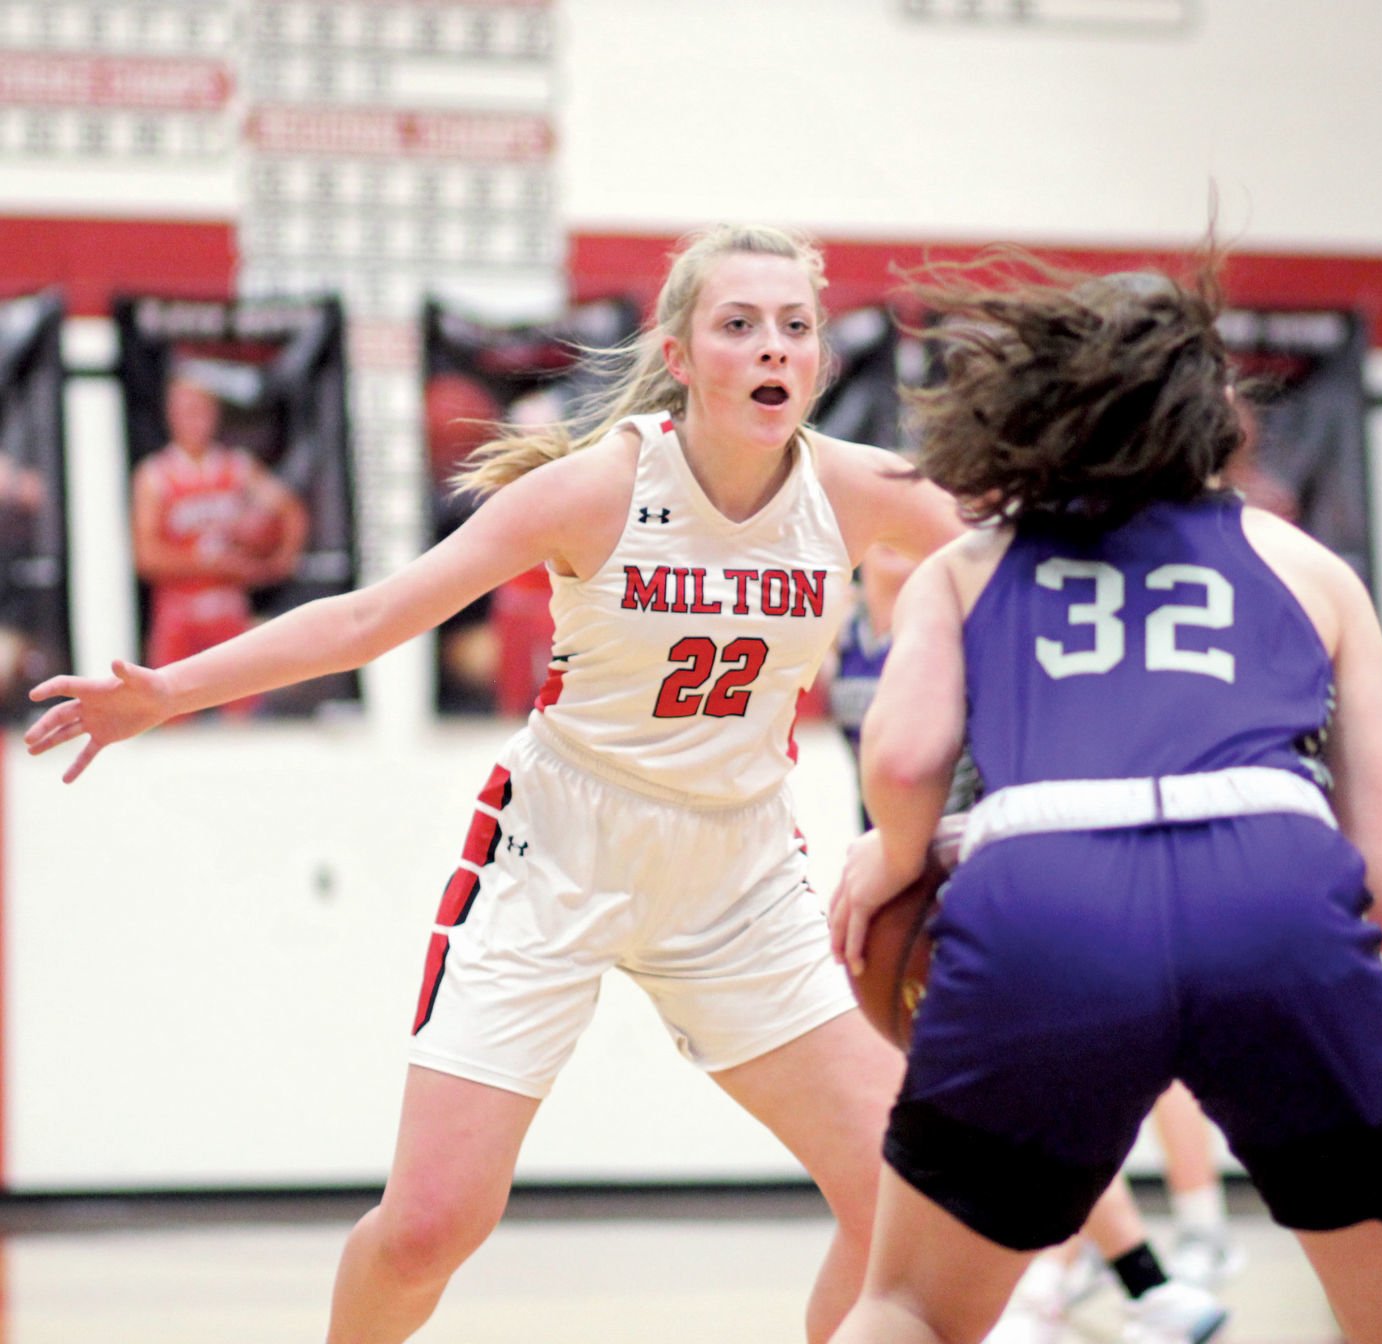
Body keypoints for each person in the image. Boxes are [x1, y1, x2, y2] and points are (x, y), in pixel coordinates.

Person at [27, 223, 963, 1344]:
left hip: (741, 871)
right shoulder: (598, 491)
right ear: (677, 354)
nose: (774, 347)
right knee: (430, 1228)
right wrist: (169, 691)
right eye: (740, 324)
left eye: (795, 326)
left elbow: (1025, 552)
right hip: (559, 851)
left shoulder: (863, 490)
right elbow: (372, 617)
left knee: (900, 1191)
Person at [827, 250, 1382, 1344]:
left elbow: (902, 763)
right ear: (1212, 407)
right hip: (1273, 895)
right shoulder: (1309, 567)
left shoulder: (972, 564)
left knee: (909, 1309)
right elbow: (1381, 879)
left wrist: (897, 859)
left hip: (1047, 902)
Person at [830, 544, 1226, 1344]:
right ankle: (1130, 1283)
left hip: (959, 866)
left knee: (1027, 1098)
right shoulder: (844, 629)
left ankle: (1143, 1265)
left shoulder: (964, 602)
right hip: (887, 873)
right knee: (1026, 1105)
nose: (893, 539)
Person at [131, 374, 309, 714]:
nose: (193, 419)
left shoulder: (237, 467)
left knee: (241, 713)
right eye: (185, 410)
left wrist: (281, 561)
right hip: (177, 612)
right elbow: (146, 556)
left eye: (200, 410)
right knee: (168, 714)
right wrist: (212, 564)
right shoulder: (154, 475)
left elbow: (290, 511)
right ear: (170, 415)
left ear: (214, 414)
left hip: (229, 609)